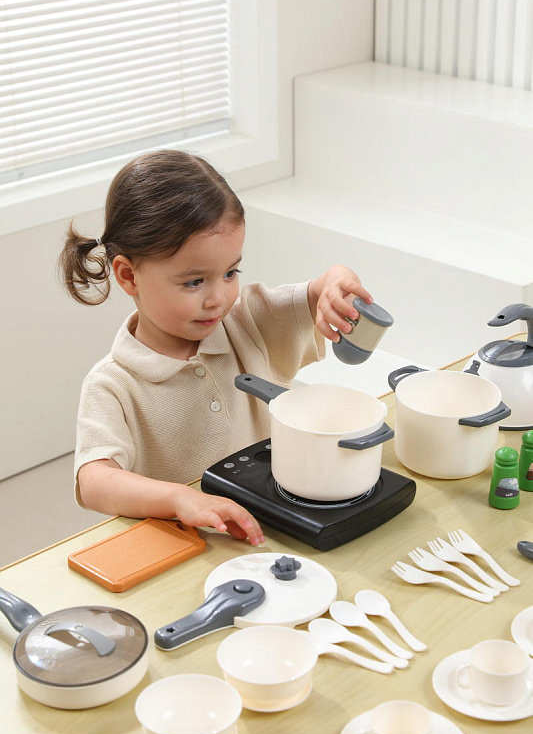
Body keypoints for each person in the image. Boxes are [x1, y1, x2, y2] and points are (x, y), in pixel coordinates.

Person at [59, 150, 372, 546]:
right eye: (194, 282)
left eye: (230, 272)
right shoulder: (113, 384)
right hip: (190, 547)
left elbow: (324, 284)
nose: (218, 298)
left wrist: (338, 284)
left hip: (278, 529)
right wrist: (179, 499)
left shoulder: (248, 320)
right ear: (128, 275)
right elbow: (94, 480)